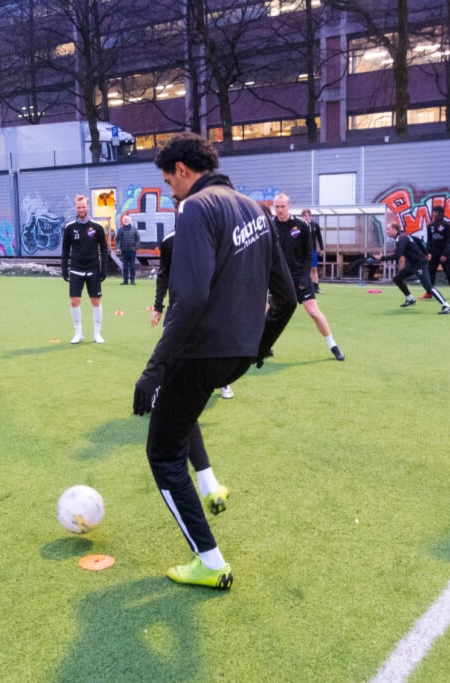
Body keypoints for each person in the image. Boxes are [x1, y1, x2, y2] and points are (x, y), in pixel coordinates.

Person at [133, 132, 296, 590]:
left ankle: (209, 560)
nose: (170, 191)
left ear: (184, 170)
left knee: (163, 454)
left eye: (169, 181)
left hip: (201, 350)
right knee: (181, 418)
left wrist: (153, 370)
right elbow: (286, 298)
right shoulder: (256, 210)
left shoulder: (195, 208)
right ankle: (208, 484)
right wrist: (258, 347)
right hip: (237, 356)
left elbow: (191, 297)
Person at [152, 229, 233, 400]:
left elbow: (224, 271)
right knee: (169, 344)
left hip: (209, 303)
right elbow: (163, 274)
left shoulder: (210, 237)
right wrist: (158, 306)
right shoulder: (169, 242)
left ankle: (223, 381)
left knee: (215, 343)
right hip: (179, 304)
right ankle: (160, 387)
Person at [273, 194, 345, 360]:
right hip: (280, 278)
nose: (280, 210)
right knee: (270, 313)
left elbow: (308, 254)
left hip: (299, 277)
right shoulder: (270, 225)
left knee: (313, 312)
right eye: (277, 207)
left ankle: (333, 345)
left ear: (289, 206)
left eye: (283, 206)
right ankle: (264, 346)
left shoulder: (301, 225)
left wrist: (305, 277)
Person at [61, 195, 109, 343]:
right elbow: (65, 249)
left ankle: (97, 333)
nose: (81, 209)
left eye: (83, 207)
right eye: (79, 207)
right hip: (76, 269)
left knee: (95, 301)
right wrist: (64, 268)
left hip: (93, 269)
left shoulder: (97, 227)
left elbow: (104, 248)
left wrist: (104, 268)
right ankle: (78, 333)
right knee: (74, 301)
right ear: (76, 208)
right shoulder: (70, 227)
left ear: (88, 207)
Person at [381, 220, 450, 314]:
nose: (386, 231)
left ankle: (446, 305)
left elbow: (397, 255)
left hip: (420, 264)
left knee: (428, 287)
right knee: (397, 279)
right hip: (413, 264)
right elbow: (418, 241)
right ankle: (410, 299)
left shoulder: (401, 239)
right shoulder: (404, 236)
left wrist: (382, 258)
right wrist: (426, 253)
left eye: (388, 229)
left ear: (395, 229)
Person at [422, 205, 450, 300]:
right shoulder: (430, 226)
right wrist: (427, 253)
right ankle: (429, 292)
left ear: (441, 213)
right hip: (433, 253)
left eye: (436, 212)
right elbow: (429, 241)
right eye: (433, 212)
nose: (434, 214)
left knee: (449, 273)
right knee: (430, 273)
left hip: (444, 253)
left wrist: (445, 254)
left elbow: (448, 241)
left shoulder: (446, 225)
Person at [301, 209, 323, 291]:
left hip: (312, 250)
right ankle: (304, 286)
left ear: (310, 216)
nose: (306, 217)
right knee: (303, 268)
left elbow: (319, 237)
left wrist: (321, 248)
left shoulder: (315, 225)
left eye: (307, 215)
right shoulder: (299, 225)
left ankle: (316, 287)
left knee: (313, 268)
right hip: (302, 250)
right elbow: (294, 235)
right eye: (304, 216)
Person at [115, 214, 141, 285]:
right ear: (123, 221)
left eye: (127, 220)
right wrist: (117, 248)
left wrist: (135, 248)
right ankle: (125, 281)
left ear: (130, 221)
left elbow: (138, 239)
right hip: (124, 251)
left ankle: (132, 280)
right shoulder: (120, 230)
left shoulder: (134, 229)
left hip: (132, 251)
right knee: (125, 266)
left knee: (132, 266)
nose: (126, 221)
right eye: (124, 220)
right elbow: (117, 240)